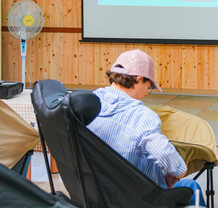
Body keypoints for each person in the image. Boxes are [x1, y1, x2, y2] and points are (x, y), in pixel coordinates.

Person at [87, 49, 206, 207]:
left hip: (97, 195)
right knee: (191, 186)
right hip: (138, 199)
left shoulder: (88, 104)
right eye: (148, 87)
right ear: (139, 78)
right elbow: (172, 163)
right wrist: (178, 170)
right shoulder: (142, 117)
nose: (146, 93)